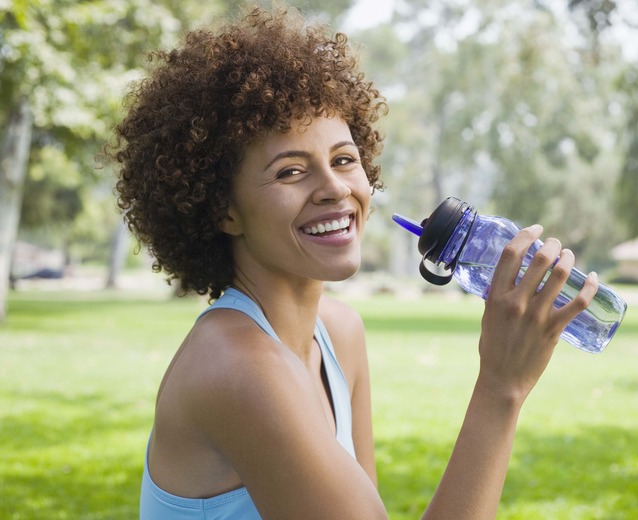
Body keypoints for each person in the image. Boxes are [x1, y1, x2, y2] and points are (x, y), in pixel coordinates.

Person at [107, 5, 598, 519]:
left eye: (344, 159)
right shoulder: (235, 369)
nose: (336, 188)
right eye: (291, 172)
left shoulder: (338, 333)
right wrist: (502, 385)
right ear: (225, 210)